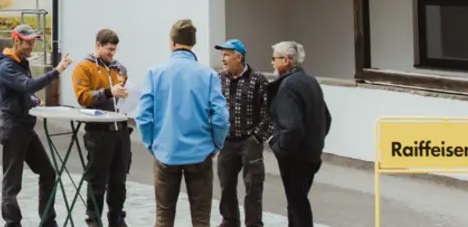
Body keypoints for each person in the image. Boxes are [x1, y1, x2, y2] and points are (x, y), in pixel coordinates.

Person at [136, 19, 229, 227]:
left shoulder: (155, 73)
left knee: (163, 216)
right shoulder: (208, 74)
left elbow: (142, 116)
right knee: (201, 218)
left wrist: (152, 144)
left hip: (166, 152)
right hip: (200, 152)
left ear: (172, 42)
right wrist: (216, 145)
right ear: (192, 43)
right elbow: (221, 118)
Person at [0, 23, 73, 227]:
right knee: (12, 185)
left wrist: (34, 101)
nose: (31, 46)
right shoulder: (7, 67)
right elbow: (27, 85)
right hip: (14, 130)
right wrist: (56, 71)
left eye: (33, 42)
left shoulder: (21, 62)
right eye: (28, 42)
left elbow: (22, 93)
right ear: (16, 41)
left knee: (48, 173)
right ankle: (12, 224)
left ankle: (48, 221)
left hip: (26, 129)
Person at [267, 41, 331, 227]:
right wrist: (316, 141)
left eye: (275, 58)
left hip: (296, 157)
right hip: (311, 154)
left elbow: (292, 127)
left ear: (286, 60)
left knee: (297, 203)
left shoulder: (288, 86)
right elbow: (326, 118)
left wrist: (278, 146)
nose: (272, 62)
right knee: (297, 201)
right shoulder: (310, 81)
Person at [71, 29, 131, 227]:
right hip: (98, 131)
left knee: (119, 179)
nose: (112, 54)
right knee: (97, 179)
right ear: (98, 45)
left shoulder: (120, 68)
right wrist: (108, 92)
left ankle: (117, 217)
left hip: (120, 131)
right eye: (108, 50)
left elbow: (121, 93)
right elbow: (83, 97)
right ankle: (94, 219)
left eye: (114, 50)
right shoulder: (84, 67)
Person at [214, 39, 271, 227]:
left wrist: (257, 137)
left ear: (238, 57)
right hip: (226, 141)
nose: (222, 59)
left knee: (253, 186)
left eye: (226, 55)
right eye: (222, 54)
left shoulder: (258, 79)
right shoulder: (219, 79)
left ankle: (253, 223)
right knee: (226, 185)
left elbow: (268, 111)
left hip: (249, 141)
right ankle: (230, 220)